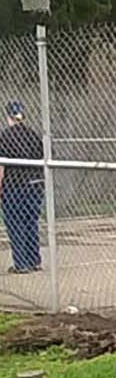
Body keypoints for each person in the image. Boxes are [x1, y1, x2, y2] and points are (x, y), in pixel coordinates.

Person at [0, 101, 45, 274]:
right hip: (34, 185)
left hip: (14, 186)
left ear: (8, 116)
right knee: (30, 222)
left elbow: (1, 167)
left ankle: (21, 263)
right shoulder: (33, 135)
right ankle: (34, 260)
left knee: (15, 222)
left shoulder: (5, 136)